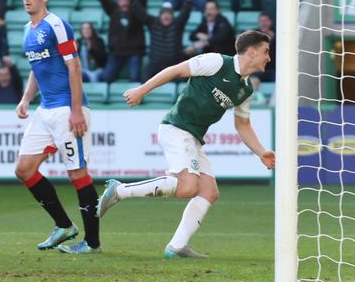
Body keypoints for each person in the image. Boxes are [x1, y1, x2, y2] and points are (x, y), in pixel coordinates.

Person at [95, 30, 276, 259]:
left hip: (193, 138)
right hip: (176, 128)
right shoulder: (217, 62)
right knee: (188, 186)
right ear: (251, 51)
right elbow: (175, 70)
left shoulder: (246, 90)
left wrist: (261, 152)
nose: (269, 58)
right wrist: (142, 90)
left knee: (209, 192)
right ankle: (119, 190)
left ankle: (177, 247)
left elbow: (243, 125)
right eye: (265, 51)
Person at [14, 0, 101, 254]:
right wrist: (27, 98)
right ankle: (64, 226)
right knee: (24, 170)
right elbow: (36, 69)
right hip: (45, 109)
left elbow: (74, 67)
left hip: (67, 107)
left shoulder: (57, 25)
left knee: (77, 173)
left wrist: (76, 111)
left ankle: (92, 243)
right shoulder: (28, 29)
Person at [83, 0, 146, 83]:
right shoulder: (113, 11)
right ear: (117, 2)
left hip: (134, 52)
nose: (123, 1)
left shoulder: (136, 11)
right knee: (107, 78)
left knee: (135, 79)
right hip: (117, 53)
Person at [132, 0, 193, 80]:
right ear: (160, 15)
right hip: (155, 65)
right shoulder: (153, 22)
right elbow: (137, 9)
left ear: (172, 15)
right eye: (164, 14)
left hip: (175, 65)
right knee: (143, 82)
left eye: (168, 14)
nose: (166, 16)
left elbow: (186, 11)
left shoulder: (177, 24)